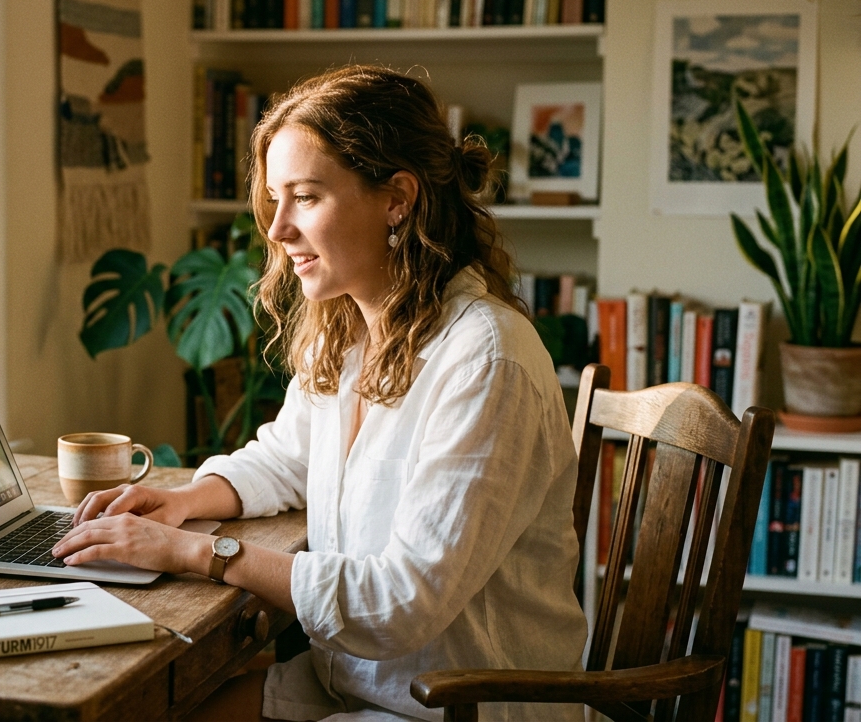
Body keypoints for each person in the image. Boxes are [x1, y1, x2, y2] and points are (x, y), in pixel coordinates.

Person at [51, 65, 588, 721]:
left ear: (398, 199)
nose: (277, 230)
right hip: (365, 683)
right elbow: (286, 456)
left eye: (304, 197)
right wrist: (182, 501)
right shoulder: (354, 330)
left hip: (457, 704)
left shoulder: (486, 360)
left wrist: (198, 552)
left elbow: (402, 603)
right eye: (275, 199)